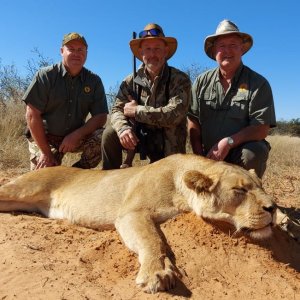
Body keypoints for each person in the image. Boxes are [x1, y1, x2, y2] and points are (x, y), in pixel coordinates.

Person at [188, 20, 276, 178]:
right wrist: (199, 157)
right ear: (214, 50)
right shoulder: (201, 81)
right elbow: (193, 120)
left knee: (254, 153)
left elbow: (261, 129)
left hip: (239, 154)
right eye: (222, 46)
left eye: (233, 45)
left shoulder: (258, 83)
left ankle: (246, 192)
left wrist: (228, 142)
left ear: (242, 49)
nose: (227, 50)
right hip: (210, 155)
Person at [101, 23, 191, 169]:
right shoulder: (129, 81)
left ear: (166, 51)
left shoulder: (180, 79)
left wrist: (137, 111)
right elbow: (116, 110)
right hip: (139, 138)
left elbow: (175, 114)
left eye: (157, 49)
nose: (152, 54)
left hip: (167, 143)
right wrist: (124, 129)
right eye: (148, 49)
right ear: (141, 52)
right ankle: (109, 176)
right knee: (110, 133)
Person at [23, 32, 108, 170]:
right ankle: (48, 161)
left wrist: (77, 135)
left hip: (75, 137)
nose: (76, 53)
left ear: (86, 53)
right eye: (71, 49)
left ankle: (77, 173)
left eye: (80, 49)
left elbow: (100, 116)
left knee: (105, 136)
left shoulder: (94, 81)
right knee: (44, 177)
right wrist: (45, 152)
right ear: (62, 51)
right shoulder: (45, 75)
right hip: (45, 138)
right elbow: (32, 114)